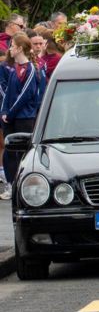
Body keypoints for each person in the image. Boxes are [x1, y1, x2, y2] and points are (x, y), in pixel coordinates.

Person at [0, 33, 45, 199]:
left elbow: (26, 95)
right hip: (10, 118)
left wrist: (10, 113)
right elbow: (7, 94)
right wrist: (4, 112)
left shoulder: (31, 69)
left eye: (12, 46)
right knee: (9, 153)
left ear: (19, 48)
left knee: (23, 152)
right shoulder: (14, 69)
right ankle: (10, 184)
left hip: (24, 118)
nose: (10, 49)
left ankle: (23, 185)